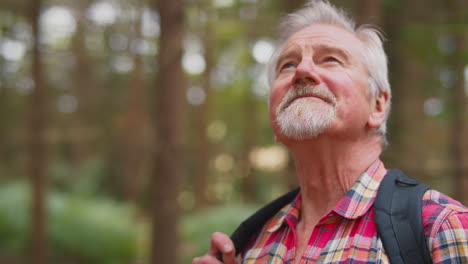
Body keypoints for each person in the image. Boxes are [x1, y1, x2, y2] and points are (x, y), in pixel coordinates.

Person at [192, 1, 468, 263]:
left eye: (331, 59)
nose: (302, 69)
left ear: (378, 105)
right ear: (275, 119)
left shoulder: (443, 227)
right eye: (287, 65)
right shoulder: (251, 245)